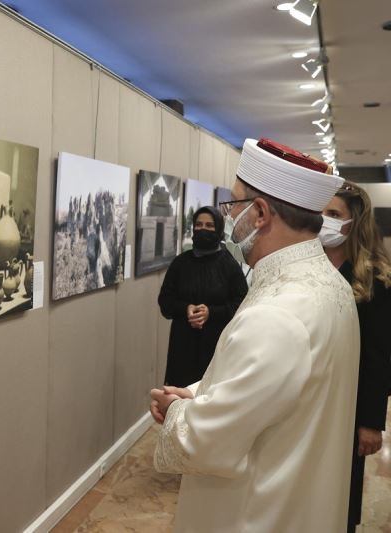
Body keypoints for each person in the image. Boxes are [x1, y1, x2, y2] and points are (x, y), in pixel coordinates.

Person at [150, 138, 360, 532]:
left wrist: (176, 411)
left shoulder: (279, 312)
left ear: (260, 213)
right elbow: (274, 387)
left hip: (256, 513)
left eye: (233, 206)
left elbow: (206, 443)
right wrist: (197, 393)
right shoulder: (330, 284)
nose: (230, 220)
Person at [320, 182, 391, 533]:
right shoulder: (309, 265)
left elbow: (380, 354)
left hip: (349, 402)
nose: (324, 221)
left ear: (354, 223)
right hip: (308, 399)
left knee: (339, 493)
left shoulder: (374, 277)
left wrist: (371, 421)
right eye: (321, 212)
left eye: (333, 214)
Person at [158, 206, 248, 386]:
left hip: (217, 347)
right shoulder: (180, 264)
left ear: (219, 229)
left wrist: (211, 312)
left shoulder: (229, 266)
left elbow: (243, 305)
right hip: (183, 347)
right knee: (179, 401)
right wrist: (186, 309)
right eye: (198, 225)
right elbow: (166, 303)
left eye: (209, 225)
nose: (203, 229)